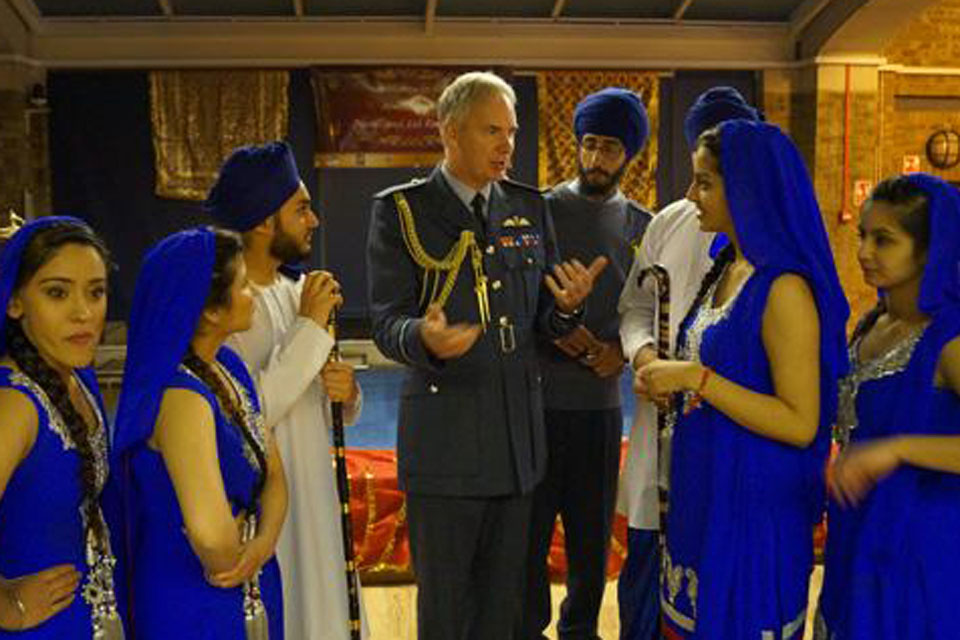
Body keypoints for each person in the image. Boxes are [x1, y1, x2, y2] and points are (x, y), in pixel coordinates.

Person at [367, 70, 606, 640]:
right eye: (491, 131)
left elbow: (540, 327)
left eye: (513, 132)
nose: (507, 146)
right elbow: (385, 320)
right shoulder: (404, 211)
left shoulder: (526, 206)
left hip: (517, 452)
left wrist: (568, 310)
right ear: (451, 133)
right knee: (447, 613)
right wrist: (424, 339)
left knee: (508, 612)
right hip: (446, 448)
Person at [636, 120, 849, 638]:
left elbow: (800, 423)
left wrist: (694, 377)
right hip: (706, 490)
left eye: (705, 183)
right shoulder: (727, 267)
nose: (690, 196)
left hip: (753, 503)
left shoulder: (783, 290)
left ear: (748, 189)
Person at [204, 141, 365, 640]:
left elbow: (328, 405)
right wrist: (311, 330)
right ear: (262, 221)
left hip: (318, 496)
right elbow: (247, 417)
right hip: (266, 510)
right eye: (301, 209)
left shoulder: (300, 293)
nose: (313, 220)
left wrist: (348, 394)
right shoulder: (225, 310)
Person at [616, 87, 761, 640]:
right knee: (646, 597)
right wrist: (645, 354)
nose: (697, 192)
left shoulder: (772, 253)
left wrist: (694, 380)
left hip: (729, 454)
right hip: (658, 445)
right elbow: (633, 308)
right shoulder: (670, 223)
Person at [520, 87, 651, 640]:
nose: (597, 159)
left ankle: (580, 630)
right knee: (529, 533)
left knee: (590, 536)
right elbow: (518, 299)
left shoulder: (647, 225)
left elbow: (650, 310)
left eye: (611, 148)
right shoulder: (539, 209)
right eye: (590, 145)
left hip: (599, 409)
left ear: (631, 155)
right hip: (537, 402)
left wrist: (618, 351)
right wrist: (563, 331)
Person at [112, 227, 286, 639]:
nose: (254, 294)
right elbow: (213, 541)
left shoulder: (229, 366)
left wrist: (258, 547)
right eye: (243, 285)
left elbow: (275, 476)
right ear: (210, 310)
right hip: (197, 597)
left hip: (249, 578)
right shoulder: (181, 397)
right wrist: (243, 550)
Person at [817, 174, 960, 639]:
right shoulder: (871, 323)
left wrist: (899, 449)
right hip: (857, 530)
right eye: (863, 235)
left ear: (929, 248)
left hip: (919, 549)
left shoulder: (949, 341)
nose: (864, 252)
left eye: (884, 240)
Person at [0, 217, 123, 638]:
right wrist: (9, 609)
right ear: (15, 302)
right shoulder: (15, 404)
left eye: (96, 292)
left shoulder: (78, 382)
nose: (83, 312)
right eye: (57, 292)